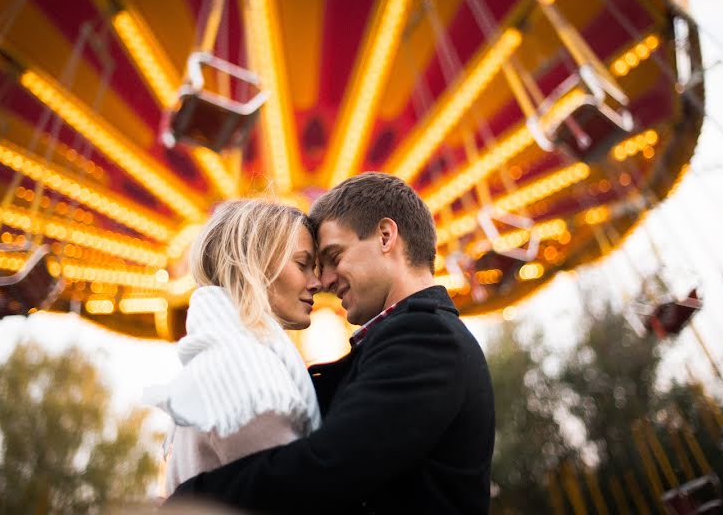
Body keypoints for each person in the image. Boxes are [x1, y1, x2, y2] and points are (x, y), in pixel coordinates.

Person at [169, 172, 495, 514]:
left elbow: (331, 464)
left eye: (334, 257)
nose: (323, 280)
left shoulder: (429, 337)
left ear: (385, 237)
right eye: (309, 265)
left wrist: (191, 498)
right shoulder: (413, 336)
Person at [146, 199, 323, 497]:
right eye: (302, 264)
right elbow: (296, 497)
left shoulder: (223, 356)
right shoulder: (248, 374)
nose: (317, 282)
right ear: (254, 264)